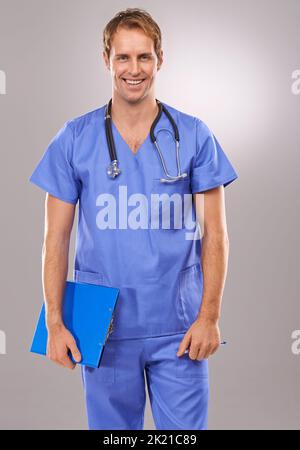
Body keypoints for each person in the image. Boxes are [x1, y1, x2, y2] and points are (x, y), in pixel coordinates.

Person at [29, 7, 238, 430]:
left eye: (144, 57)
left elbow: (215, 234)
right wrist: (54, 322)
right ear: (106, 60)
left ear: (161, 59)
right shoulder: (74, 138)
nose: (134, 69)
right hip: (103, 328)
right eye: (123, 57)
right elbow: (56, 238)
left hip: (179, 328)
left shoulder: (194, 135)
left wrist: (209, 317)